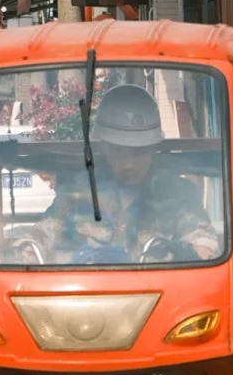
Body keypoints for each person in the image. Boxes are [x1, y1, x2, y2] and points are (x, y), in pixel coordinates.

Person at [32, 84, 221, 264]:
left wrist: (181, 255)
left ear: (153, 148)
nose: (129, 164)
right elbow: (40, 236)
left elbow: (205, 244)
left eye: (139, 152)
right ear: (104, 147)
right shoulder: (78, 191)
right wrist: (21, 250)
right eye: (118, 151)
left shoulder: (178, 194)